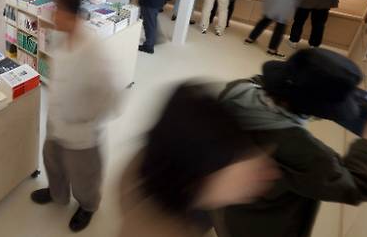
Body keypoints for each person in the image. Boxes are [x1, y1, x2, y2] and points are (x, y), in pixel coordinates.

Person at [216, 48, 367, 237]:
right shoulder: (304, 152)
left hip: (224, 202)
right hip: (261, 226)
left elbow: (265, 82)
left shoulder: (238, 90)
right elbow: (357, 186)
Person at [119, 83, 278, 237]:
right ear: (196, 181)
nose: (269, 174)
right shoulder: (159, 230)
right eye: (235, 162)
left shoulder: (152, 162)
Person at [30, 0, 117, 233]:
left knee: (84, 175)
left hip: (82, 130)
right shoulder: (61, 37)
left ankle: (88, 205)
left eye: (55, 8)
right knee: (52, 159)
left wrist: (85, 116)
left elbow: (110, 95)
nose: (51, 14)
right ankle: (57, 194)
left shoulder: (93, 49)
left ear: (68, 12)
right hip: (57, 118)